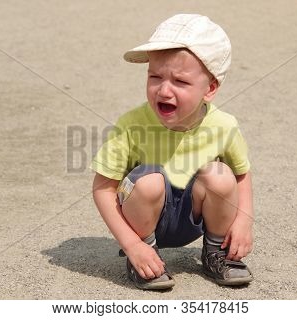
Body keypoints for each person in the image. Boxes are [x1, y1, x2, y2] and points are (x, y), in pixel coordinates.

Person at [91, 14, 254, 290]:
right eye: (155, 76)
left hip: (194, 216)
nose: (164, 90)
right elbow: (102, 188)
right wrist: (131, 245)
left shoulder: (224, 126)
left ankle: (216, 252)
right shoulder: (131, 125)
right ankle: (146, 255)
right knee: (150, 181)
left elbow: (241, 175)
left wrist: (244, 220)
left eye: (180, 81)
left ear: (210, 88)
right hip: (144, 218)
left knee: (221, 174)